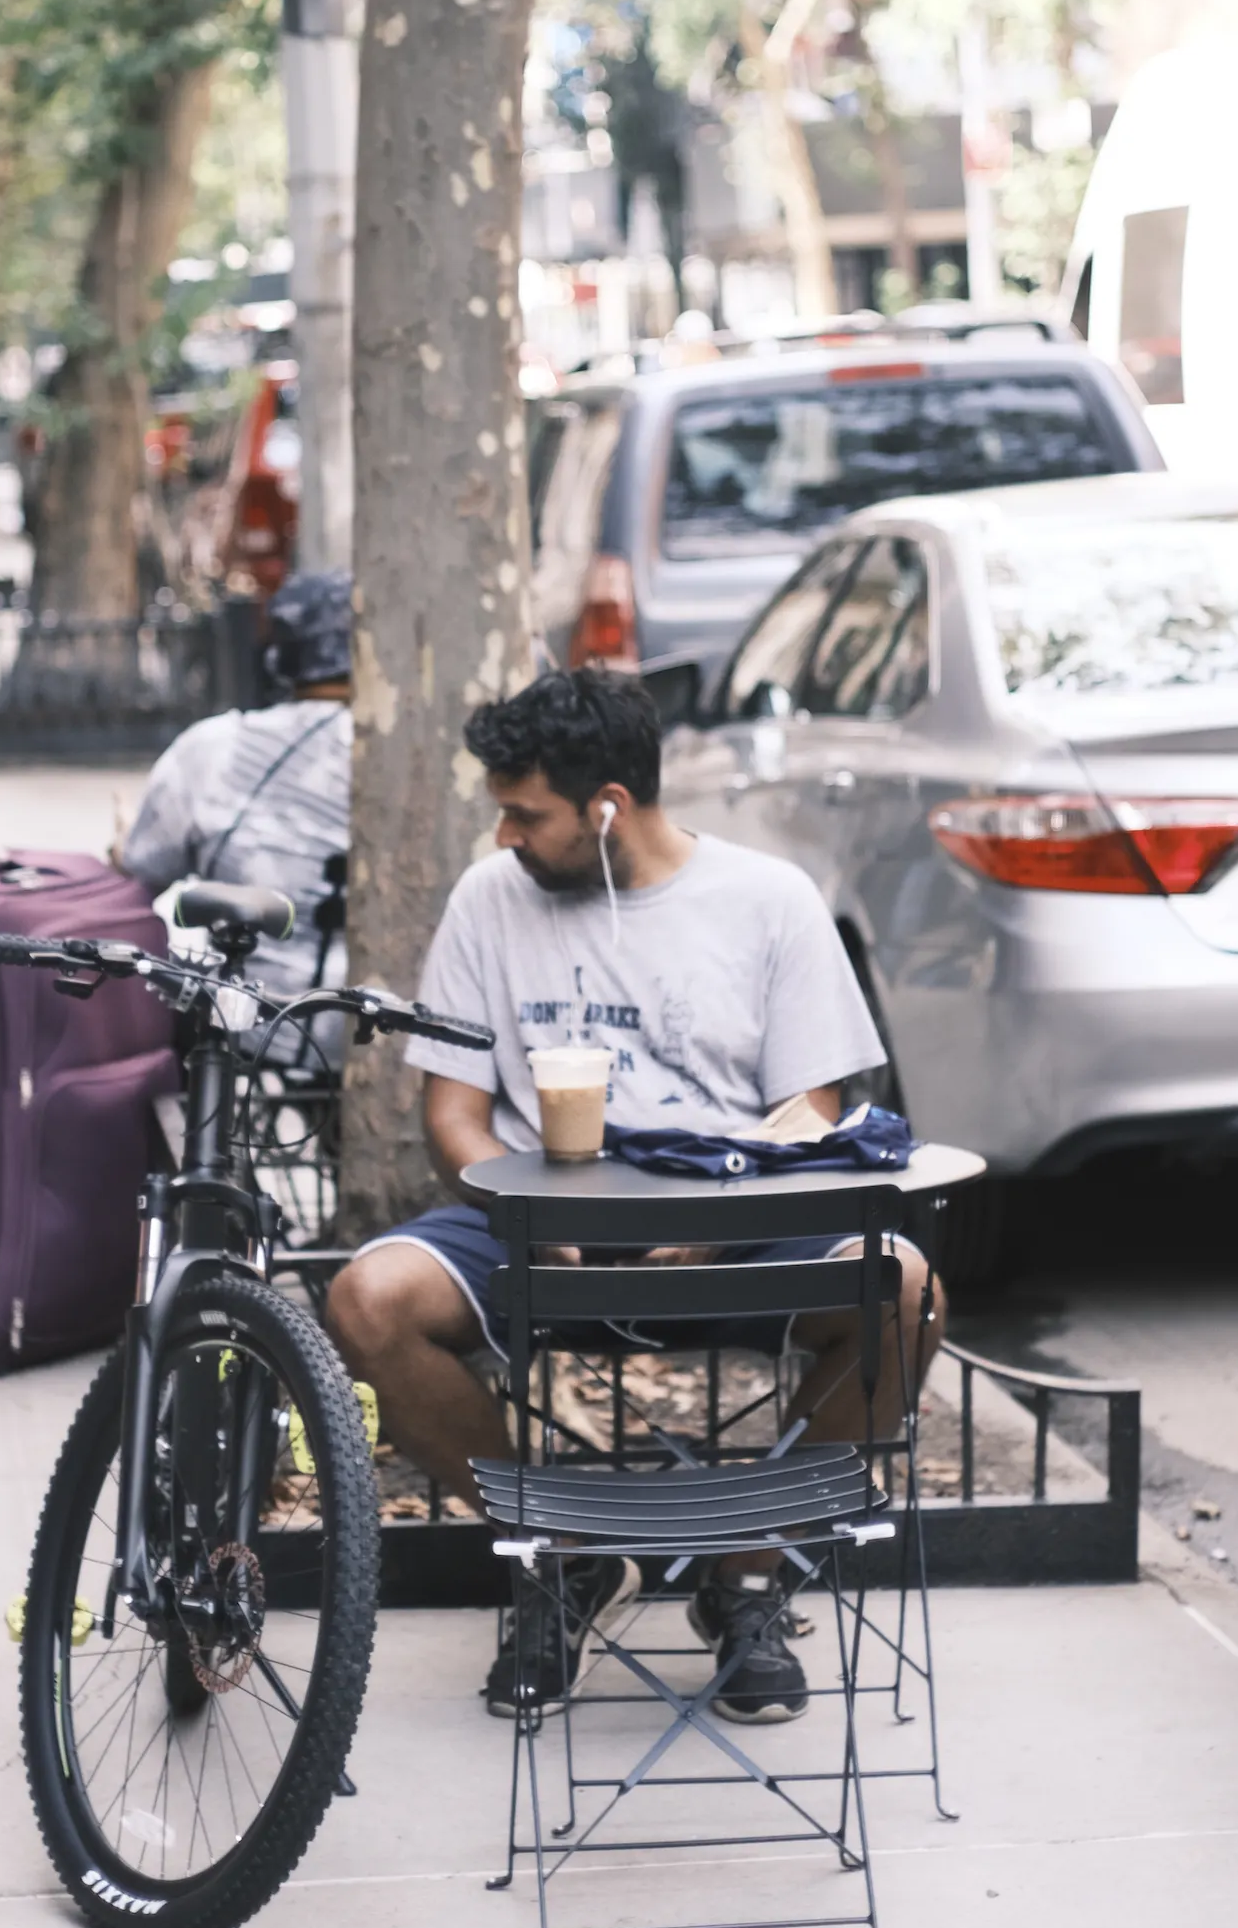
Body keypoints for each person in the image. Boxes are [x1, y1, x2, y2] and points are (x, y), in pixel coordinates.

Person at [324, 667, 945, 1725]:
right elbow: (452, 1116)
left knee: (904, 1289)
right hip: (537, 1232)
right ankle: (561, 1556)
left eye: (526, 814)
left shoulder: (766, 901)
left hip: (728, 1231)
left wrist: (711, 1224)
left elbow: (810, 1108)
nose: (506, 836)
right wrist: (523, 1211)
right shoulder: (489, 897)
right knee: (364, 1302)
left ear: (607, 805)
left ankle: (746, 1576)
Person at [116, 567, 353, 1024]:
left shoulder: (213, 747)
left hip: (252, 1022)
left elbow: (143, 867)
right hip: (382, 1026)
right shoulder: (410, 761)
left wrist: (123, 841)